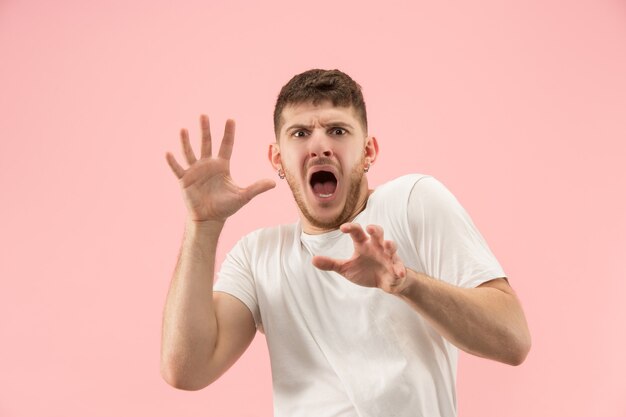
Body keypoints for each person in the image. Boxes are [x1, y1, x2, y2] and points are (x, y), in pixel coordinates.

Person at [161, 69, 531, 417]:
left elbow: (512, 339)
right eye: (300, 134)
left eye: (337, 131)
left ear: (368, 151)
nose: (320, 147)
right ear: (277, 158)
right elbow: (188, 369)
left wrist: (406, 284)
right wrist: (203, 225)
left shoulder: (413, 201)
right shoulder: (257, 256)